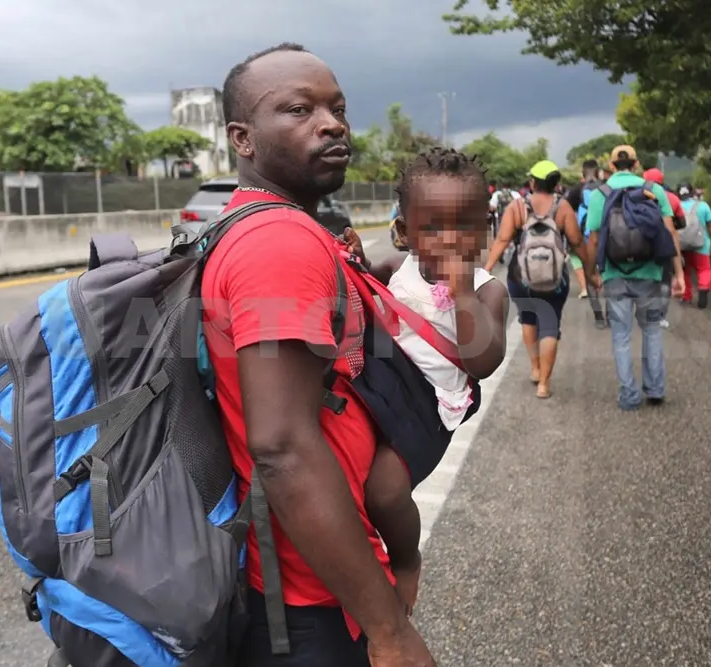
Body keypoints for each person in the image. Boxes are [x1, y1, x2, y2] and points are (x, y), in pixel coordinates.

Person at [203, 43, 435, 667]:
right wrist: (387, 629)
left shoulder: (276, 226)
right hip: (307, 603)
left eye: (337, 108)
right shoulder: (277, 243)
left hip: (309, 583)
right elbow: (281, 445)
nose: (332, 123)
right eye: (298, 109)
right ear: (243, 139)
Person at [362, 147, 510, 616]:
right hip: (386, 383)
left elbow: (483, 359)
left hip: (429, 405)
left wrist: (462, 292)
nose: (451, 240)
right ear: (405, 233)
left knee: (384, 490)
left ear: (484, 231)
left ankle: (406, 559)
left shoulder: (488, 289)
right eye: (433, 227)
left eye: (465, 226)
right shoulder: (395, 268)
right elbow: (364, 285)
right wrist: (354, 257)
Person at [486, 160, 599, 399]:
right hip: (555, 278)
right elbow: (577, 242)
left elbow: (502, 241)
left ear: (532, 182)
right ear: (556, 184)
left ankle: (535, 368)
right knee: (549, 325)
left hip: (521, 276)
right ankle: (544, 385)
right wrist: (590, 274)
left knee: (528, 319)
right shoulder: (564, 208)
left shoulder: (517, 207)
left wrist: (486, 269)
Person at [584, 146, 685, 410]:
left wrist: (592, 272)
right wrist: (679, 273)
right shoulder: (655, 190)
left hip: (614, 274)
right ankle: (655, 389)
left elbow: (593, 239)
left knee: (621, 335)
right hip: (650, 272)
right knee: (652, 331)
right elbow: (670, 231)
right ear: (637, 163)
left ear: (611, 165)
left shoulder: (600, 195)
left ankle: (629, 396)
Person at [566, 159, 610, 327]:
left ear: (582, 175)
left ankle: (598, 317)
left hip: (585, 238)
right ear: (598, 172)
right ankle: (610, 315)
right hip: (607, 237)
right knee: (610, 276)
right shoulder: (607, 188)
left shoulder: (577, 190)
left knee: (589, 274)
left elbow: (568, 213)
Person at [643, 167, 686, 326]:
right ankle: (660, 316)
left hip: (644, 243)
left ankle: (644, 311)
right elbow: (681, 223)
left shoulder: (639, 193)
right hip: (664, 244)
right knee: (665, 281)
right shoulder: (673, 198)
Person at [677, 184, 711, 308]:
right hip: (700, 245)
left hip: (682, 245)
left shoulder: (675, 205)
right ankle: (702, 291)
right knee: (704, 269)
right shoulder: (703, 206)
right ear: (692, 193)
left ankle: (686, 296)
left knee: (685, 270)